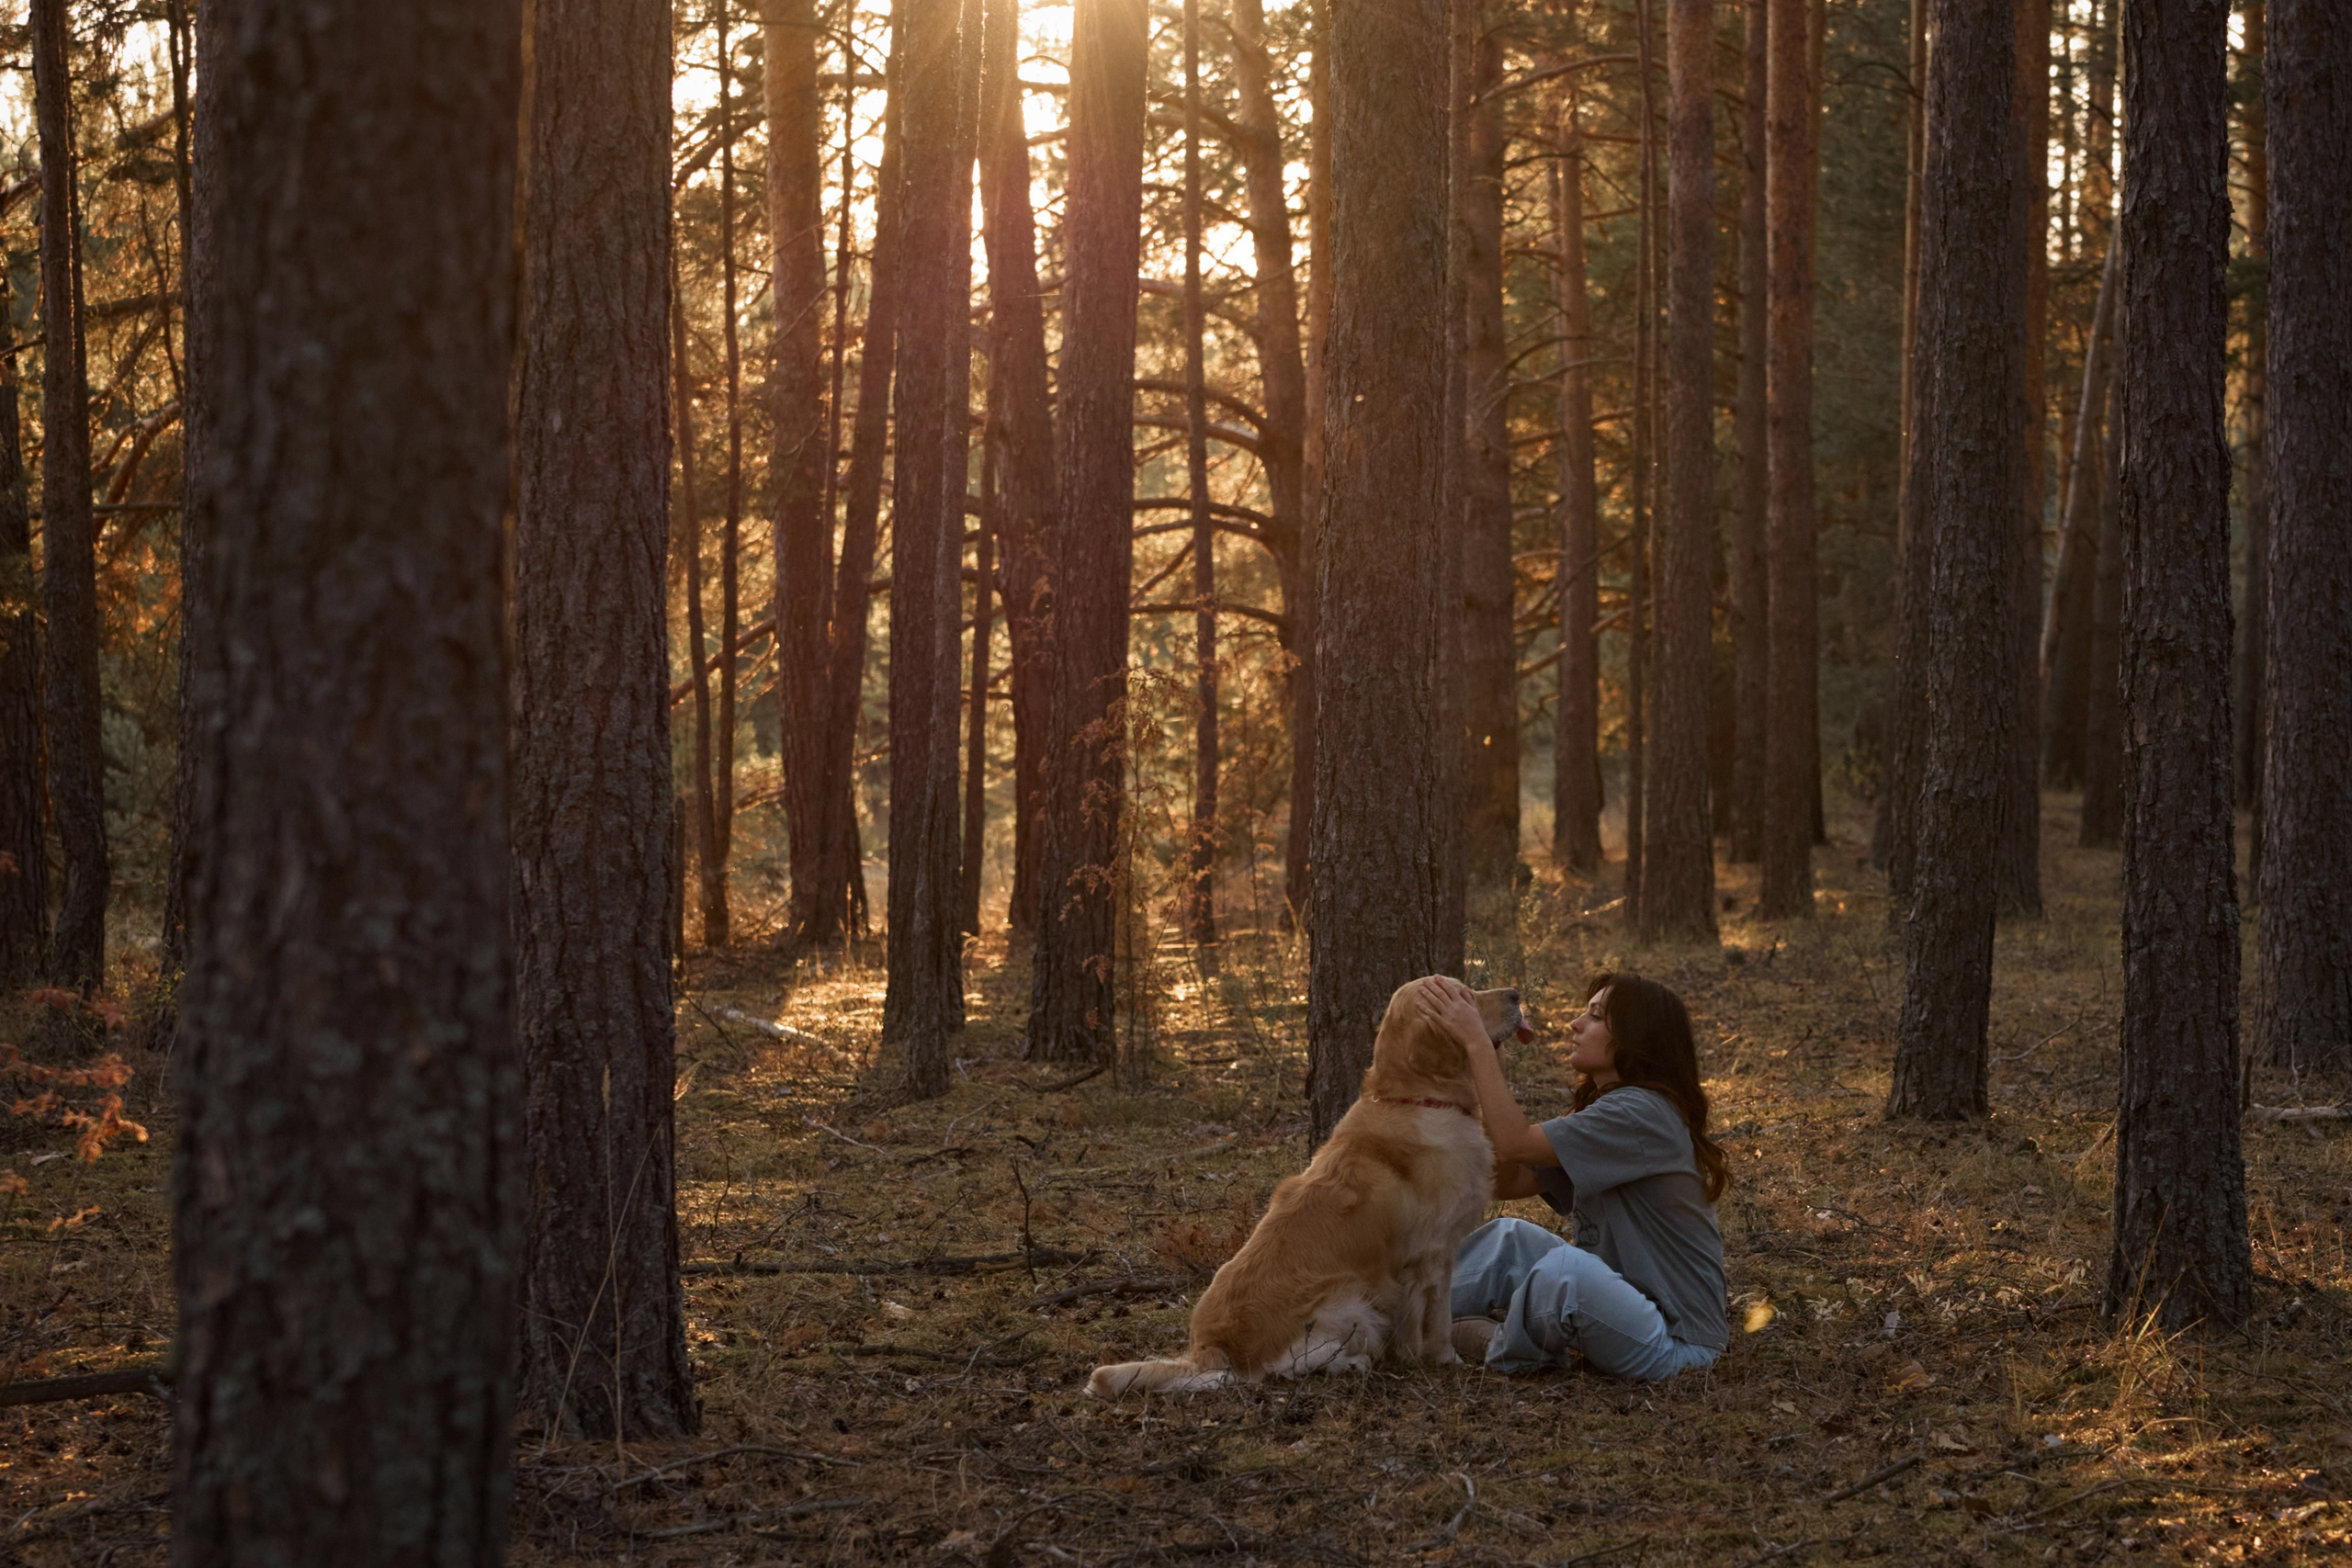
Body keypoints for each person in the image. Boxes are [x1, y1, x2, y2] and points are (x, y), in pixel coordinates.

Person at [1411, 971, 1729, 1380]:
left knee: (1567, 1272)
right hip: (1626, 1310)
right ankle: (1390, 1316)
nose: (1576, 1024)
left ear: (1635, 1037)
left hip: (1679, 1347)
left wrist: (1477, 1045)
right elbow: (1509, 1180)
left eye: (1595, 1016)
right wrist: (1480, 1063)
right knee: (1509, 1238)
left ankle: (1498, 1345)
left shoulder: (1641, 1113)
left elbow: (1513, 1143)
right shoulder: (1608, 1109)